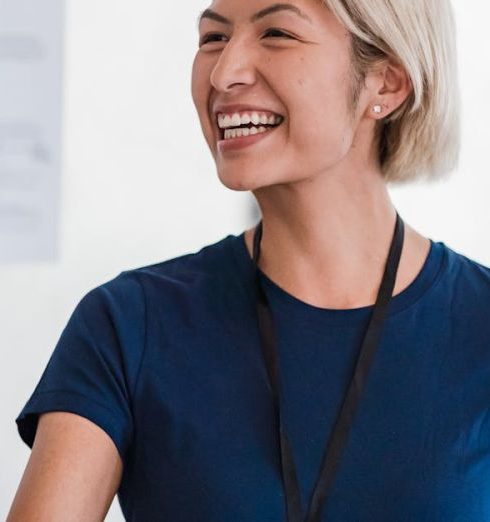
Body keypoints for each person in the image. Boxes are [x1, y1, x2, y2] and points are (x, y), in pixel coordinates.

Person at [8, 0, 490, 520]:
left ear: (387, 83)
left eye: (277, 33)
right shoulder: (129, 325)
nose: (224, 72)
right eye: (213, 38)